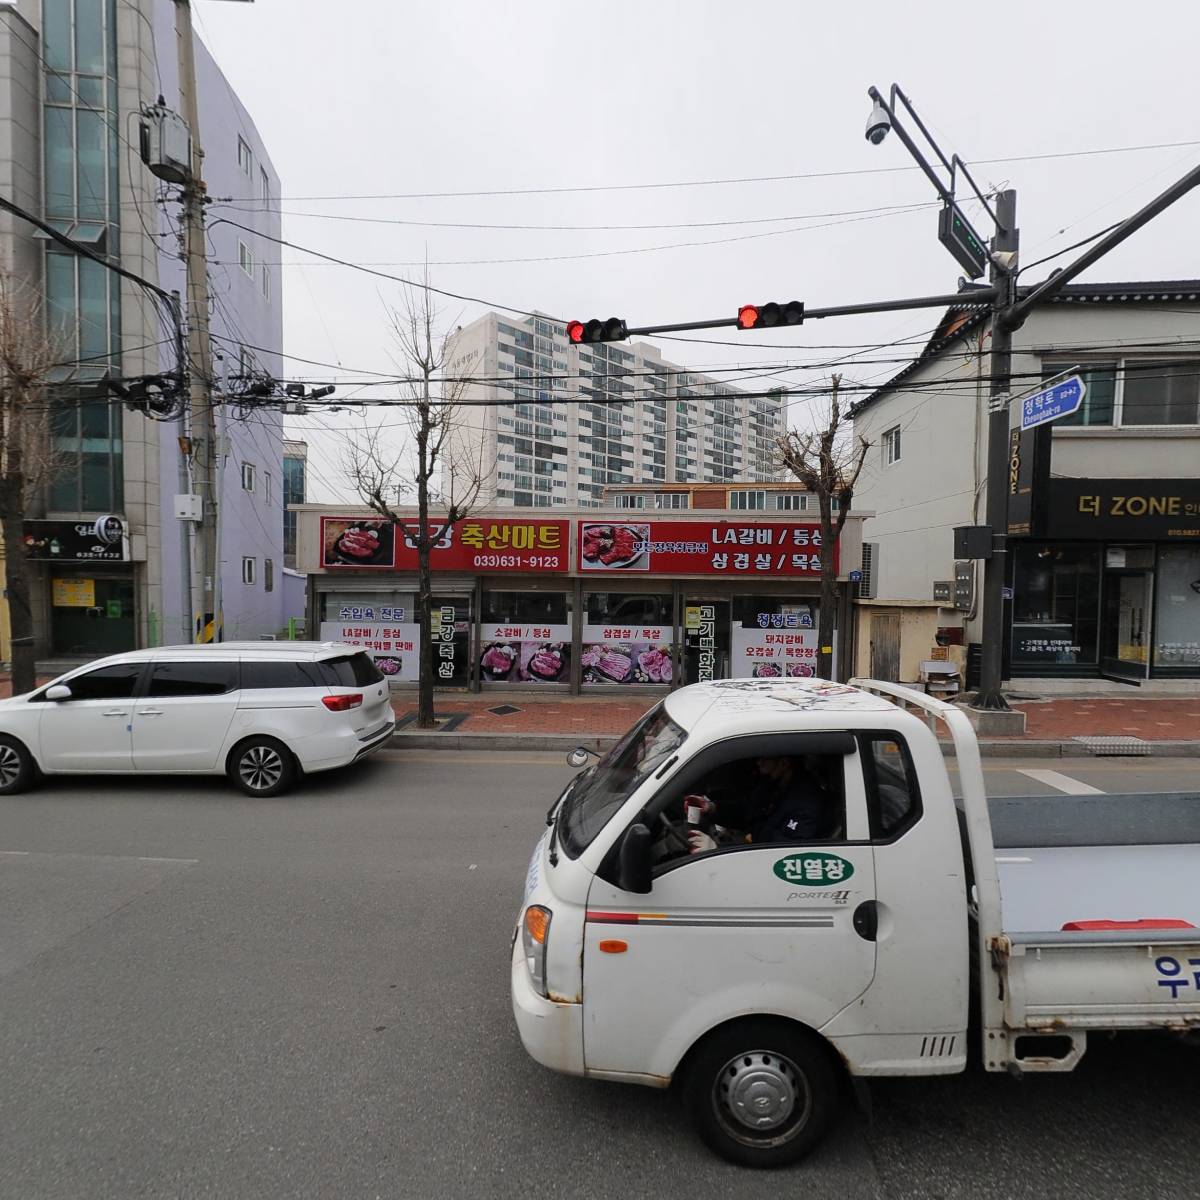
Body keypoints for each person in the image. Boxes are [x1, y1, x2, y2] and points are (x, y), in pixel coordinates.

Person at [687, 755, 834, 853]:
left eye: (764, 759)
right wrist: (712, 808)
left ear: (783, 763)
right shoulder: (772, 784)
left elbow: (783, 851)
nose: (759, 763)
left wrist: (718, 849)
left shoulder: (806, 804)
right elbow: (748, 812)